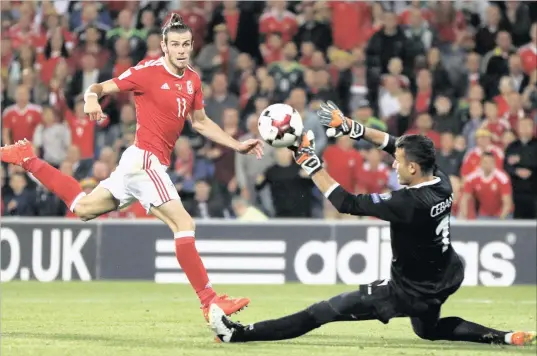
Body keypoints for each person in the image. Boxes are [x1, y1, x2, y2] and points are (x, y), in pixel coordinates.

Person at [0, 14, 264, 322]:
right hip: (145, 160)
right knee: (184, 224)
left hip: (136, 163)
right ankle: (209, 301)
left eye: (186, 44)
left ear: (192, 46)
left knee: (83, 208)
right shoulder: (146, 72)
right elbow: (99, 87)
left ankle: (27, 158)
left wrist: (235, 144)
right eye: (175, 44)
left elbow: (201, 122)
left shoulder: (192, 79)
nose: (181, 50)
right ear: (163, 46)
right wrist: (90, 99)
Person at [208, 101, 535, 346]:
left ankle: (237, 336)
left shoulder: (407, 203)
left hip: (408, 292)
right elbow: (396, 143)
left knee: (323, 311)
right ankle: (504, 338)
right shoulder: (441, 181)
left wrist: (310, 162)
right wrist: (353, 127)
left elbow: (346, 202)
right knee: (429, 330)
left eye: (400, 163)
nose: (394, 163)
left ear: (413, 169)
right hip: (448, 274)